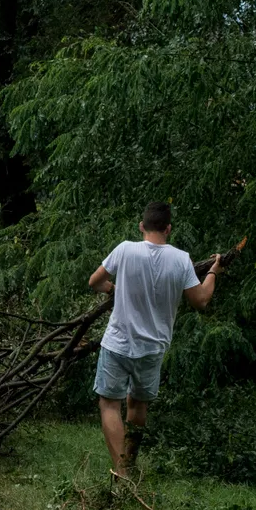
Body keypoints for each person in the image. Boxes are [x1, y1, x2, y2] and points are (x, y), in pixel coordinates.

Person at [87, 202, 223, 477]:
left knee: (109, 404)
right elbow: (201, 300)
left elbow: (95, 282)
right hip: (153, 348)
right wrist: (213, 272)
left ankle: (122, 472)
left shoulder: (125, 250)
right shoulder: (181, 259)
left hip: (118, 343)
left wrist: (114, 288)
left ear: (142, 226)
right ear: (168, 228)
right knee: (137, 405)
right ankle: (130, 465)